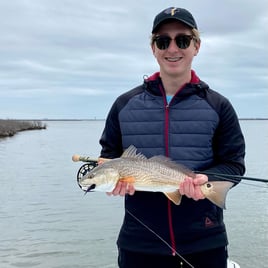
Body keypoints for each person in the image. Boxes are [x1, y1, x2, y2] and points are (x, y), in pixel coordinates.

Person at [98, 7, 245, 268]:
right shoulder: (124, 105)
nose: (172, 49)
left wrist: (206, 180)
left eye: (183, 40)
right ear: (153, 48)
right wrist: (110, 182)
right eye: (163, 41)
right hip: (139, 244)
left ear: (196, 46)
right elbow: (107, 157)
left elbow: (234, 165)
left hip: (205, 241)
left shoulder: (219, 106)